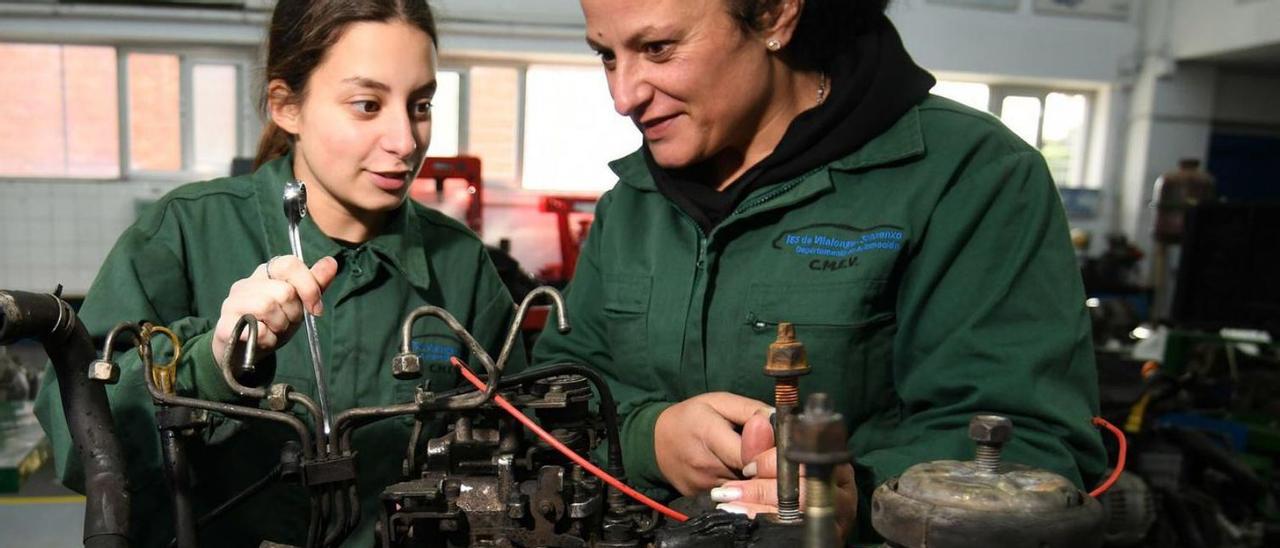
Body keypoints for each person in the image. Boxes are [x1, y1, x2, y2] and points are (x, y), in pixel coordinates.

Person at [532, 0, 1107, 542]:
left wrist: (857, 494)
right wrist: (646, 436)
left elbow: (1033, 447)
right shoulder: (632, 201)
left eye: (657, 48)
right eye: (606, 54)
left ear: (776, 13)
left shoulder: (971, 175)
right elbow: (555, 391)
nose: (623, 95)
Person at [34, 1, 523, 546]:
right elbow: (81, 444)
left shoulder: (462, 267)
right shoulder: (185, 234)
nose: (406, 141)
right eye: (367, 105)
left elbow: (522, 449)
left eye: (421, 104)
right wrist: (211, 365)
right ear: (286, 106)